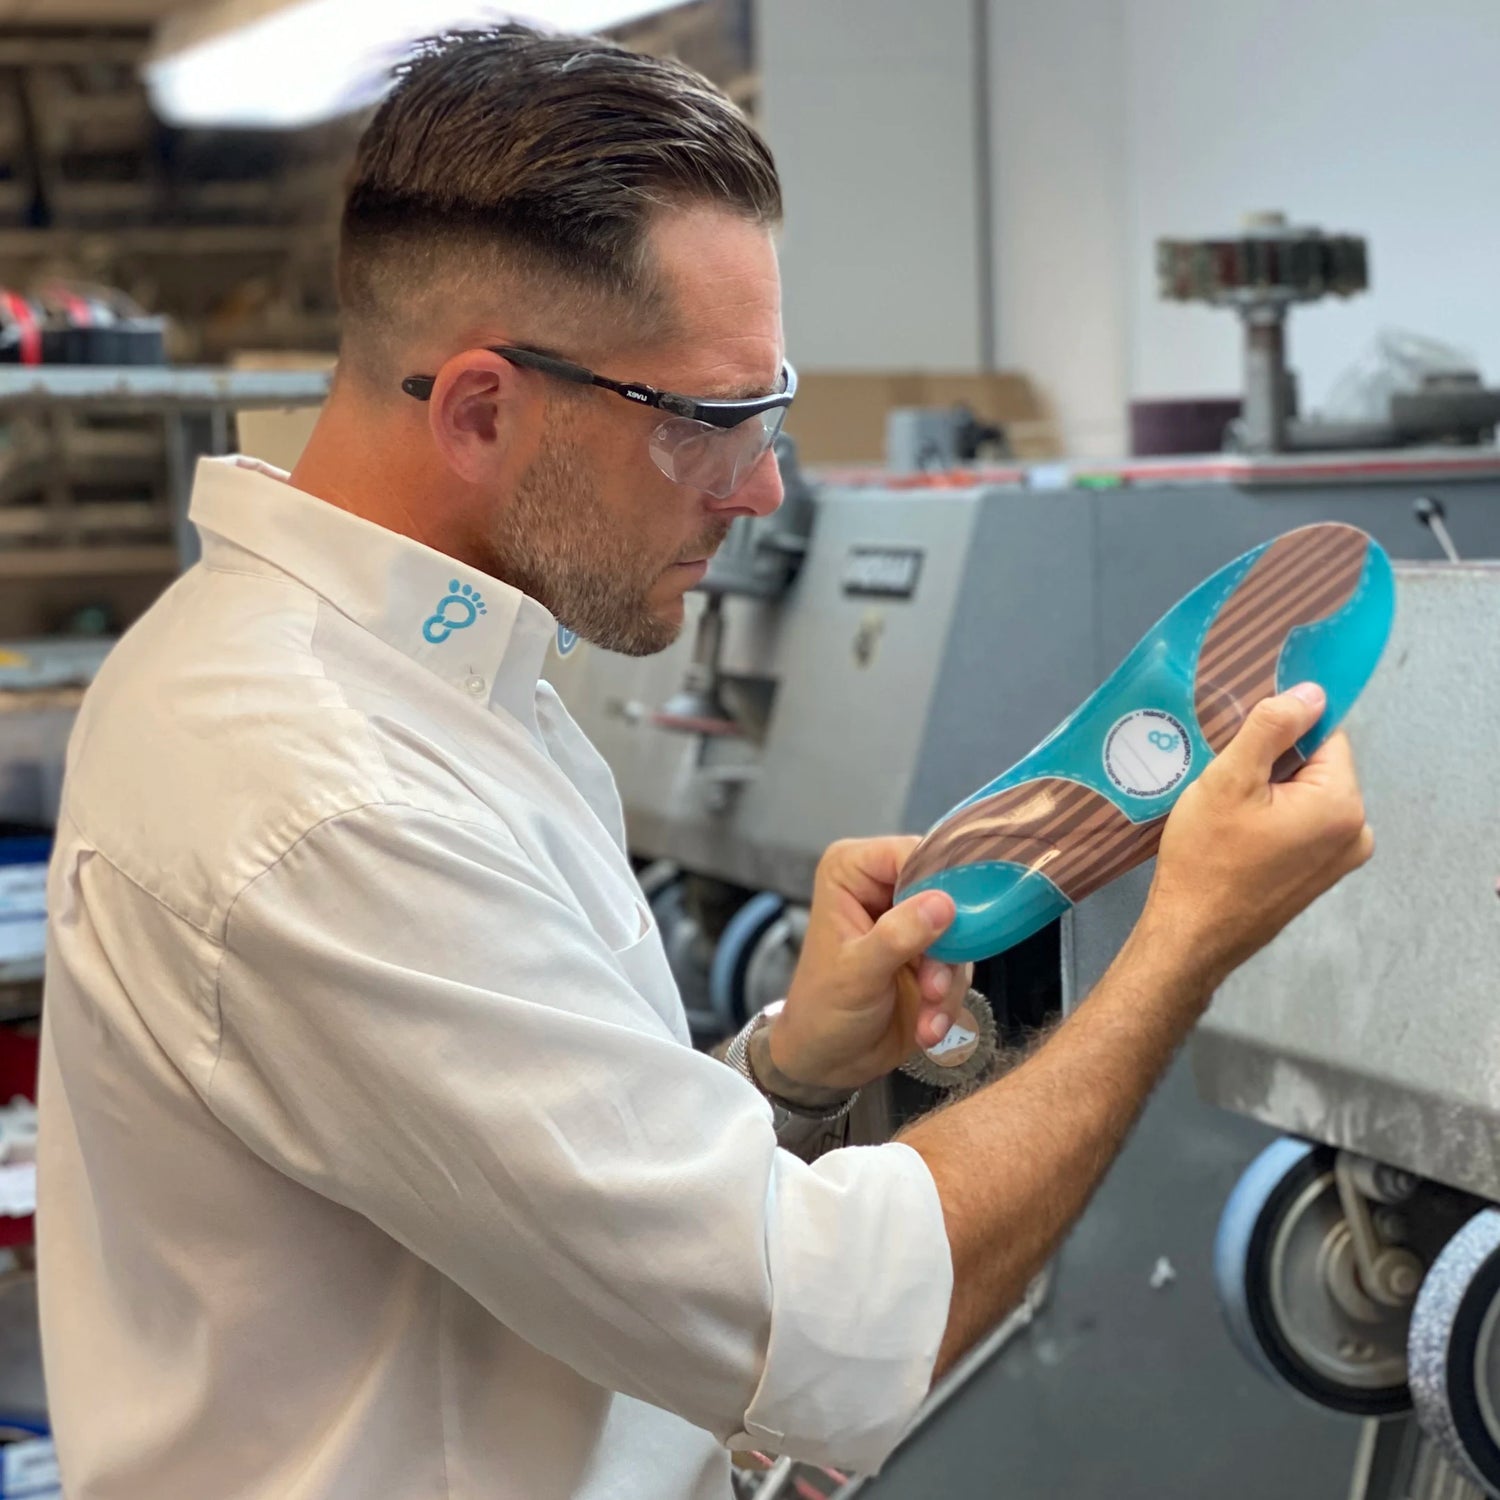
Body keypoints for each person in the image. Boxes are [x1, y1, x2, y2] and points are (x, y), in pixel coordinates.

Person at [36, 25, 1373, 1500]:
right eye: (713, 425)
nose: (763, 488)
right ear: (484, 407)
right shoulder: (317, 788)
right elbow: (838, 1327)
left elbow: (527, 1192)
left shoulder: (437, 688)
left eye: (772, 409)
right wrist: (1183, 945)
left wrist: (787, 1075)